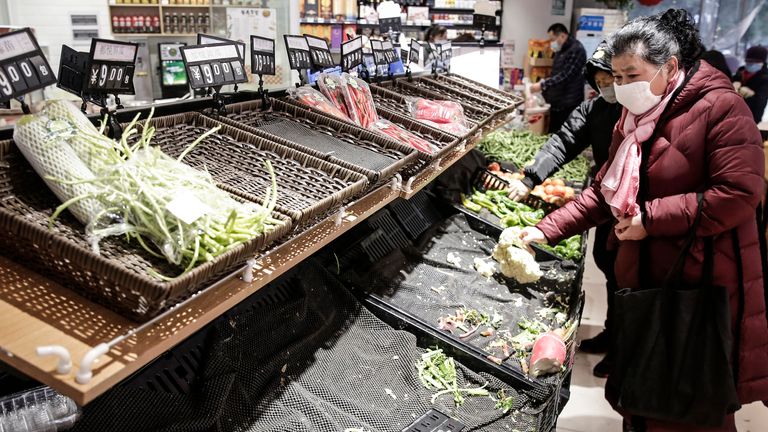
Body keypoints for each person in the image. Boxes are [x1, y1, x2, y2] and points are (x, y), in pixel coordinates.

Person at [519, 9, 768, 431]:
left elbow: (739, 193)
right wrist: (544, 229)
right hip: (647, 283)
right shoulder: (633, 118)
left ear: (670, 66)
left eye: (630, 74)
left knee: (690, 401)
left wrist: (650, 220)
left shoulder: (723, 109)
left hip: (698, 285)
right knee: (645, 394)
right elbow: (604, 191)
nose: (621, 87)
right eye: (615, 77)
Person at [508, 41, 622, 377]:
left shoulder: (639, 114)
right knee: (610, 267)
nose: (605, 87)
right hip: (605, 202)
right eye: (600, 81)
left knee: (627, 279)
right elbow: (564, 141)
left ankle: (622, 350)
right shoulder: (597, 109)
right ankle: (611, 333)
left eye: (611, 80)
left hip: (633, 209)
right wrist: (530, 177)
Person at [529, 23, 587, 133]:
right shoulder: (562, 49)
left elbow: (566, 75)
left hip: (568, 102)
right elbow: (556, 73)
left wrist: (543, 85)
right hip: (558, 101)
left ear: (562, 36)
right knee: (553, 133)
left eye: (553, 39)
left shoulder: (576, 50)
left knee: (564, 135)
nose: (551, 43)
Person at [733, 45, 768, 123]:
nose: (751, 64)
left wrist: (751, 96)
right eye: (749, 61)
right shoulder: (739, 73)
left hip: (749, 118)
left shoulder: (765, 79)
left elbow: (761, 103)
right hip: (731, 114)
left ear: (762, 62)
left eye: (756, 62)